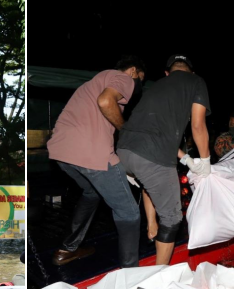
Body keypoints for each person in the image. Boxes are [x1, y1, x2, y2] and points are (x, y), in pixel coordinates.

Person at [46, 55, 145, 267]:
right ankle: (130, 274)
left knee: (91, 193)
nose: (138, 85)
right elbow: (106, 101)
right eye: (141, 79)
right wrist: (125, 131)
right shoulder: (123, 78)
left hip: (61, 152)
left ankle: (67, 249)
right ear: (134, 71)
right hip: (92, 154)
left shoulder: (91, 84)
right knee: (129, 212)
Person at [117, 54, 211, 265]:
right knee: (172, 218)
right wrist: (205, 160)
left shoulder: (156, 86)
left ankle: (151, 225)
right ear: (192, 73)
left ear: (168, 73)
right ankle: (159, 275)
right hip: (152, 157)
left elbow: (155, 133)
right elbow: (198, 125)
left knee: (148, 181)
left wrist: (186, 158)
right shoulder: (196, 82)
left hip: (124, 151)